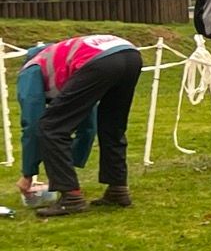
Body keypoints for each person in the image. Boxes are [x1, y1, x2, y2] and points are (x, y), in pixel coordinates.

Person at [15, 34, 142, 217]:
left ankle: (71, 198)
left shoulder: (31, 68)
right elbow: (87, 122)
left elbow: (33, 124)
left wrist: (28, 174)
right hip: (130, 54)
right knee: (112, 126)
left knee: (50, 127)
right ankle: (117, 189)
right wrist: (70, 161)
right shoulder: (62, 60)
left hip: (101, 61)